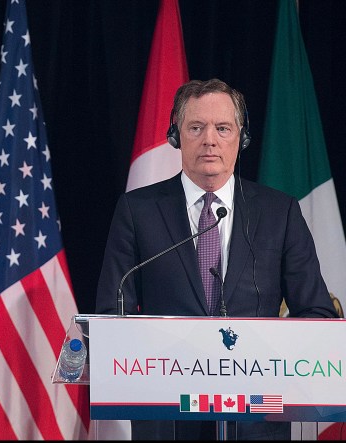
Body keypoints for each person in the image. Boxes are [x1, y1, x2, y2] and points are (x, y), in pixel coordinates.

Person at [95, 79, 338, 440]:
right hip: (169, 420)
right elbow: (112, 316)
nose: (210, 139)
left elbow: (317, 314)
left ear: (242, 137)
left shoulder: (279, 212)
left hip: (257, 421)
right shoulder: (137, 211)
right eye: (196, 127)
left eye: (222, 128)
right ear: (176, 136)